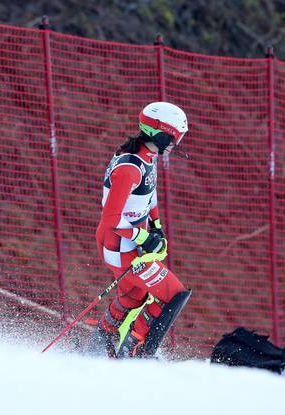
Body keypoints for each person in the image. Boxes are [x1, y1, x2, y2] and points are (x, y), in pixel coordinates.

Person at [89, 102, 191, 358]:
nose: (175, 144)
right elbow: (111, 218)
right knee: (173, 294)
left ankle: (101, 345)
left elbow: (149, 192)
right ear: (161, 133)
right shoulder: (129, 168)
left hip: (128, 244)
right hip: (119, 246)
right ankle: (136, 351)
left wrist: (156, 227)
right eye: (174, 138)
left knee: (135, 295)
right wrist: (145, 238)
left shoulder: (146, 156)